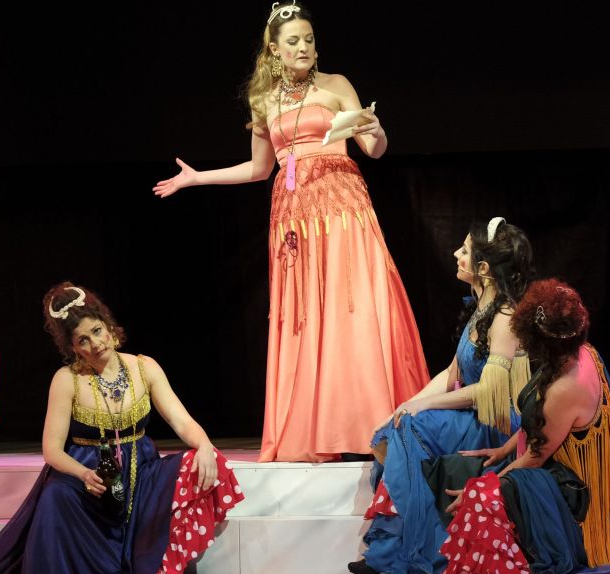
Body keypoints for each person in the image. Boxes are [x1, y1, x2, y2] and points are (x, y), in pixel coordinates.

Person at [153, 1, 429, 462]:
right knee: (307, 317)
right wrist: (197, 178)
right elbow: (259, 169)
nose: (304, 47)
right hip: (293, 218)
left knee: (353, 307)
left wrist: (377, 131)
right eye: (294, 41)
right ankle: (316, 431)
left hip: (342, 211)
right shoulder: (265, 100)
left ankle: (375, 425)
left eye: (309, 39)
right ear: (274, 50)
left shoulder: (336, 85)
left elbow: (372, 148)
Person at [0, 282, 243, 573]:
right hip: (89, 480)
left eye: (96, 331)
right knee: (55, 496)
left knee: (208, 459)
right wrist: (83, 474)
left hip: (141, 474)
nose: (95, 344)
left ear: (108, 326)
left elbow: (181, 421)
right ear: (73, 347)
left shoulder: (144, 367)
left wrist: (204, 445)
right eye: (83, 340)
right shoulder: (66, 379)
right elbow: (51, 450)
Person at [349, 218, 535, 574]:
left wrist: (425, 406)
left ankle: (406, 557)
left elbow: (489, 392)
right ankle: (395, 553)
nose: (455, 255)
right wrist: (407, 405)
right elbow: (451, 374)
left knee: (411, 430)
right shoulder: (482, 310)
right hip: (473, 417)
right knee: (397, 427)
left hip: (495, 424)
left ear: (484, 268)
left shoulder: (505, 316)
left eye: (464, 250)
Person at [439, 279, 610, 574]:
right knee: (458, 469)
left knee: (480, 497)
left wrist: (484, 488)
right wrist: (504, 449)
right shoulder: (582, 352)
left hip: (571, 496)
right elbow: (538, 424)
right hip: (551, 469)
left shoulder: (565, 388)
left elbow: (534, 457)